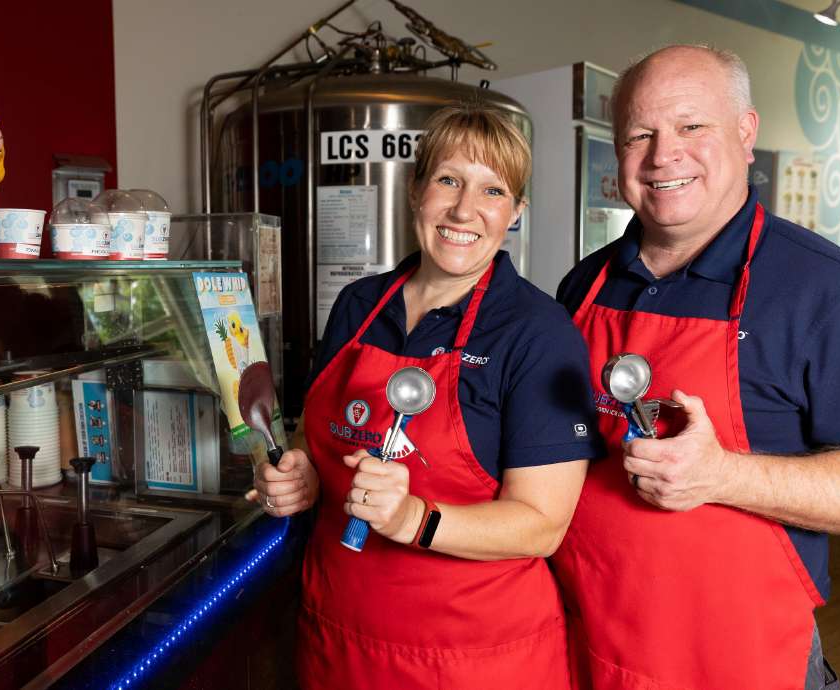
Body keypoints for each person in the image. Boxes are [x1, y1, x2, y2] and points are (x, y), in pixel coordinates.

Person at [554, 44, 840, 690]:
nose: (663, 155)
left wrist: (723, 476)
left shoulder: (835, 294)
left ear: (746, 132)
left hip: (740, 660)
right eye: (639, 134)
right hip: (586, 642)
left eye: (690, 126)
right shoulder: (584, 284)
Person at [248, 103, 600, 688]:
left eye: (492, 191)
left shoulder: (538, 333)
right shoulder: (359, 305)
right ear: (416, 191)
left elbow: (542, 525)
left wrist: (414, 518)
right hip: (337, 642)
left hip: (474, 659)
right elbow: (312, 431)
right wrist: (301, 474)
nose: (464, 209)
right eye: (448, 180)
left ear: (515, 212)